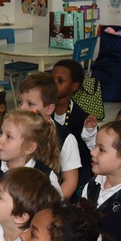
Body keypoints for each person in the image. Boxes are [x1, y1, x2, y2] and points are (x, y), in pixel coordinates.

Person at [0, 110, 62, 241]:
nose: (0, 139)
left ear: (30, 147)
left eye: (9, 137)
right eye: (1, 133)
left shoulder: (46, 177)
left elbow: (56, 220)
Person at [16, 73, 82, 199]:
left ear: (49, 109)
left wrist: (51, 204)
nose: (22, 108)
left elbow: (70, 182)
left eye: (30, 104)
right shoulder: (12, 132)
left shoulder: (66, 138)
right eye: (20, 102)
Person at [51, 59, 94, 189]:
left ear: (74, 86)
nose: (54, 84)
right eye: (51, 80)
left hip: (77, 172)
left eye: (60, 81)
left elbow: (86, 157)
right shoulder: (44, 111)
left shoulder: (83, 119)